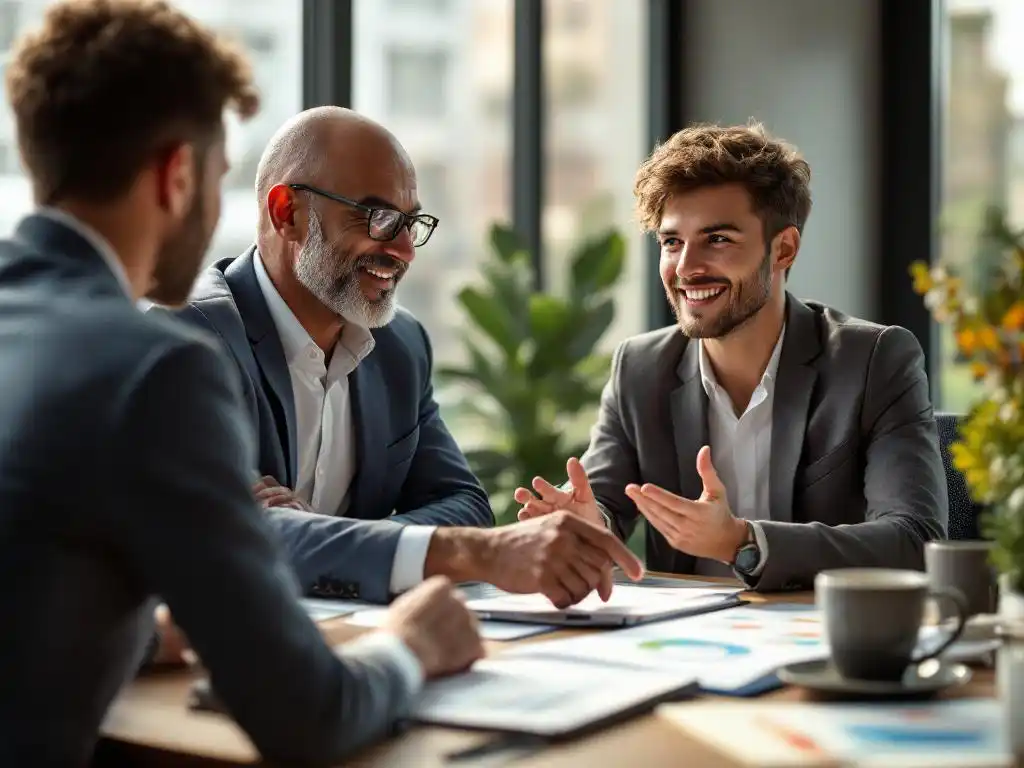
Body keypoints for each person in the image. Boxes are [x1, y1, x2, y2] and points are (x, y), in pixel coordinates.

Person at [0, 2, 483, 765]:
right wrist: (409, 645)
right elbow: (310, 718)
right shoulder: (157, 365)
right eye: (220, 173)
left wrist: (127, 634)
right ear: (177, 173)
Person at [168, 106, 645, 607]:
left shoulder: (400, 346)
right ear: (287, 212)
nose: (404, 250)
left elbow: (465, 505)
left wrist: (327, 536)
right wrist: (447, 551)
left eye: (410, 223)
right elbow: (231, 537)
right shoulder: (187, 341)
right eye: (378, 218)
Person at [516, 122, 947, 592]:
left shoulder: (872, 361)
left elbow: (915, 540)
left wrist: (743, 542)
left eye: (717, 239)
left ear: (783, 249)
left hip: (822, 640)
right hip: (686, 644)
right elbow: (601, 500)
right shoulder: (640, 369)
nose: (685, 268)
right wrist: (587, 523)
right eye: (672, 242)